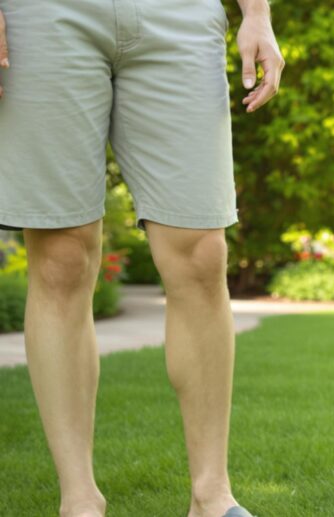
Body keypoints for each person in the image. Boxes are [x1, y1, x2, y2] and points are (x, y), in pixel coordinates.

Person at [0, 0, 283, 515]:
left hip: (178, 14)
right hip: (42, 15)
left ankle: (212, 496)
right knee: (61, 258)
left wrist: (257, 13)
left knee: (200, 254)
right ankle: (79, 499)